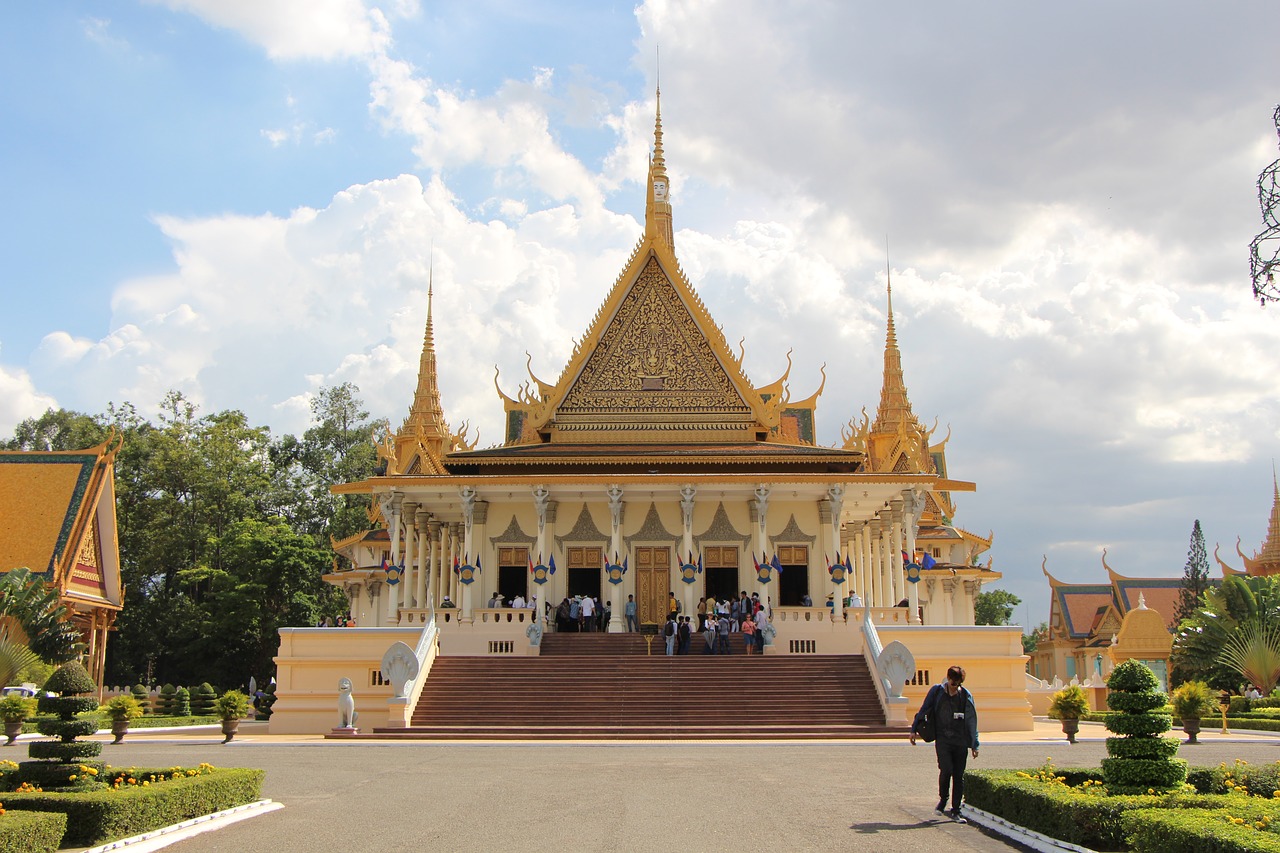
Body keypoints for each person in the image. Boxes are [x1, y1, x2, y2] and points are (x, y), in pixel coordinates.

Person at [910, 664, 979, 824]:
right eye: (953, 683)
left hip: (960, 740)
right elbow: (924, 709)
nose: (955, 687)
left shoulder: (965, 695)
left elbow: (971, 720)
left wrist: (975, 744)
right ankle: (943, 800)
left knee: (959, 775)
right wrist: (914, 729)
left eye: (958, 684)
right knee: (946, 769)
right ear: (948, 679)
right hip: (943, 739)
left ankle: (956, 810)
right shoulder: (937, 691)